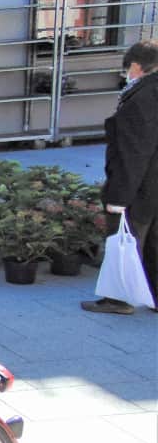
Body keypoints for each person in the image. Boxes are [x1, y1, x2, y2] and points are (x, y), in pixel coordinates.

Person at [82, 39, 158, 314]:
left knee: (125, 238)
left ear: (136, 67)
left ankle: (118, 298)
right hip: (153, 183)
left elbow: (134, 152)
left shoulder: (141, 99)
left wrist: (119, 196)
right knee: (152, 241)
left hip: (139, 184)